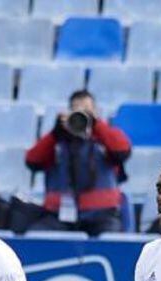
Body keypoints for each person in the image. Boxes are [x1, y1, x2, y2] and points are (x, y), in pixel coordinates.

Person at [24, 89, 131, 236]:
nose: (82, 114)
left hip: (102, 214)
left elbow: (123, 150)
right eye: (76, 110)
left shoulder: (104, 137)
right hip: (59, 215)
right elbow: (32, 161)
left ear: (95, 111)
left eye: (87, 110)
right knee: (36, 237)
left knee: (111, 238)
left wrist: (96, 125)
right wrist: (55, 133)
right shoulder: (58, 140)